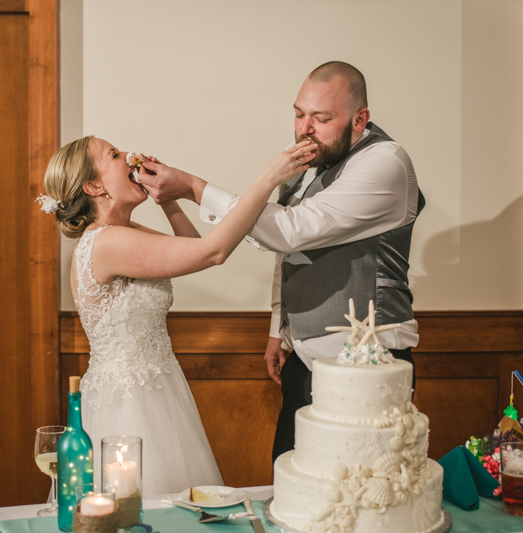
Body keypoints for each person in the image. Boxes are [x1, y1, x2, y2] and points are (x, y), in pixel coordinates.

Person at [137, 61, 425, 462]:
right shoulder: (309, 167)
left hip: (367, 367)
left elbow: (291, 230)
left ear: (360, 119)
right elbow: (290, 251)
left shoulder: (385, 163)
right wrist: (280, 327)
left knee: (356, 497)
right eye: (298, 113)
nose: (304, 129)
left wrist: (193, 187)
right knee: (291, 484)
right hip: (303, 359)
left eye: (321, 118)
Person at [38, 135, 317, 496]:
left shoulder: (119, 234)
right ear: (94, 185)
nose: (128, 157)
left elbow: (190, 247)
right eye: (114, 155)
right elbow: (212, 252)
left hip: (157, 387)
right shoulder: (106, 243)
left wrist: (168, 200)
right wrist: (267, 180)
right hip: (130, 402)